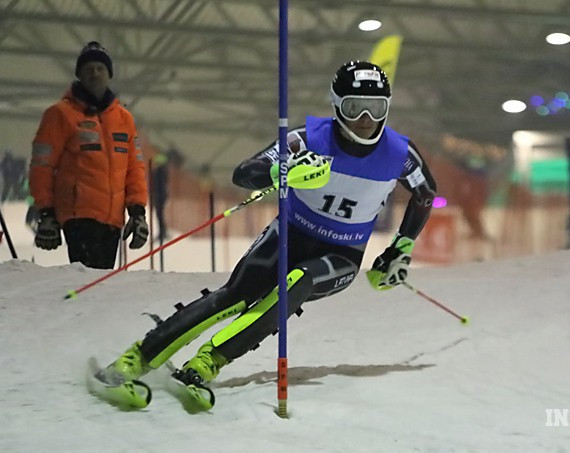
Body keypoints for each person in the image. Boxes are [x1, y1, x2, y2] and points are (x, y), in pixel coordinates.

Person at [98, 61, 437, 402]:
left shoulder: (400, 154)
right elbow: (244, 173)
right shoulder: (307, 140)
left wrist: (399, 249)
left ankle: (206, 363)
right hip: (290, 235)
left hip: (342, 255)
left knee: (296, 284)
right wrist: (282, 170)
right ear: (336, 107)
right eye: (354, 107)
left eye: (376, 108)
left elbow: (425, 193)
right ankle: (136, 359)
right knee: (233, 297)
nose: (365, 119)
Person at [29, 41, 149, 269]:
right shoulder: (59, 115)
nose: (95, 73)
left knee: (100, 285)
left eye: (100, 68)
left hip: (113, 220)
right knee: (88, 283)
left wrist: (137, 211)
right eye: (88, 68)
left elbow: (135, 169)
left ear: (109, 74)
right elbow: (41, 167)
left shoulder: (124, 119)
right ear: (79, 75)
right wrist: (46, 212)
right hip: (78, 217)